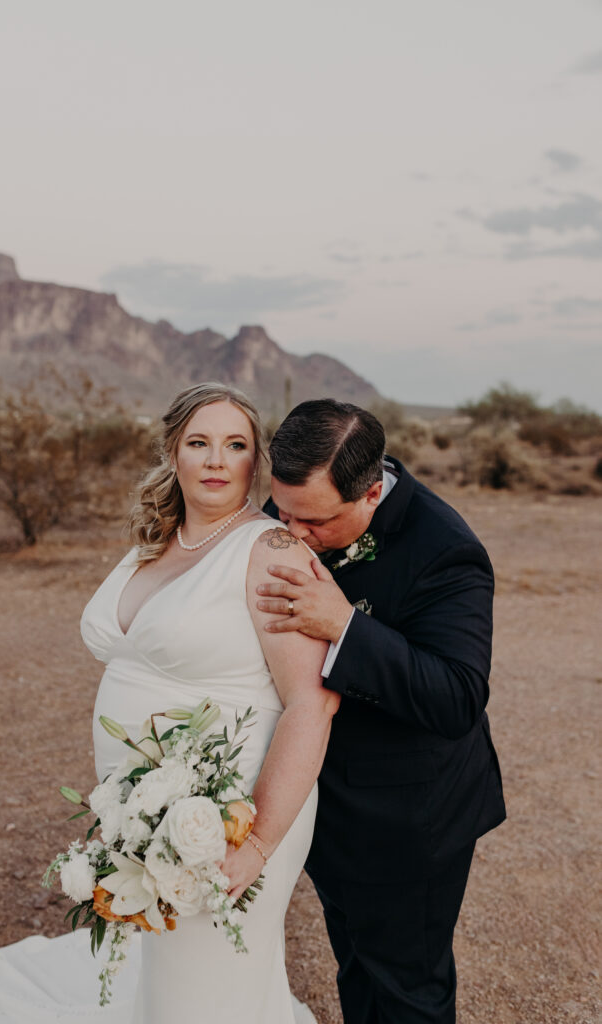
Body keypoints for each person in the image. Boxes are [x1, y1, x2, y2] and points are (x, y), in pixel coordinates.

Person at [81, 382, 338, 1024]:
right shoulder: (156, 539)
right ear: (174, 454)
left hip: (231, 811)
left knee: (211, 986)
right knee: (176, 980)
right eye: (199, 443)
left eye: (236, 445)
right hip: (143, 807)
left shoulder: (269, 552)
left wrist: (253, 847)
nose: (217, 460)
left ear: (258, 463)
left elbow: (313, 702)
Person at [258, 399, 506, 1024]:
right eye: (280, 509)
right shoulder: (294, 510)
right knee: (358, 968)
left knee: (407, 991)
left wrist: (343, 625)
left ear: (370, 494)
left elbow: (456, 695)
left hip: (409, 821)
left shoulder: (446, 550)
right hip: (328, 807)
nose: (290, 531)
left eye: (311, 521)